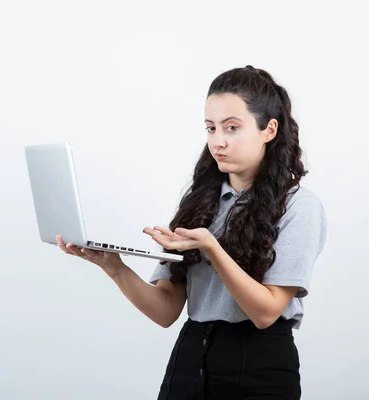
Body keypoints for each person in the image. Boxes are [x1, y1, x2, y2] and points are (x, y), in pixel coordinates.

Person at [56, 65, 327, 399]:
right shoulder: (201, 203)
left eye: (232, 128)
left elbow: (267, 313)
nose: (218, 141)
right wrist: (116, 268)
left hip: (260, 368)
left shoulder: (299, 207)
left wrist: (212, 248)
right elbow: (167, 310)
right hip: (190, 360)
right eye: (211, 129)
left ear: (269, 130)